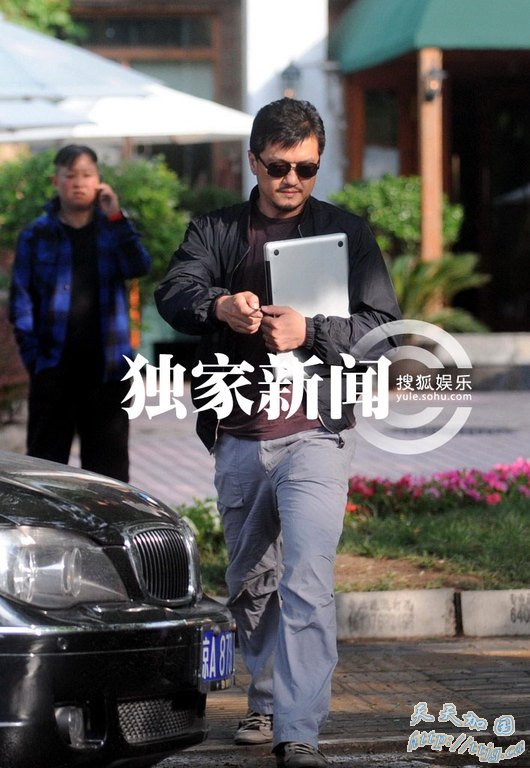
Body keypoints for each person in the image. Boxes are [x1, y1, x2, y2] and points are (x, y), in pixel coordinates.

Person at [155, 98, 401, 767]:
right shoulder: (215, 229)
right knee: (251, 582)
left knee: (308, 580)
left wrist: (311, 331)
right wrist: (218, 306)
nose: (291, 179)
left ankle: (299, 731)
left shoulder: (346, 233)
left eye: (306, 168)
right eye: (278, 167)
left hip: (317, 431)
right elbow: (174, 291)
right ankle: (264, 701)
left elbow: (383, 330)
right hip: (239, 431)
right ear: (254, 162)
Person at [9, 144, 151, 482]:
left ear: (99, 180)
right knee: (44, 475)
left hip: (108, 372)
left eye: (87, 175)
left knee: (109, 478)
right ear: (55, 181)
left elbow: (138, 265)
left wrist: (116, 216)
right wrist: (36, 360)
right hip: (53, 371)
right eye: (70, 175)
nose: (79, 182)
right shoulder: (36, 235)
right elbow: (21, 301)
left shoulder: (113, 229)